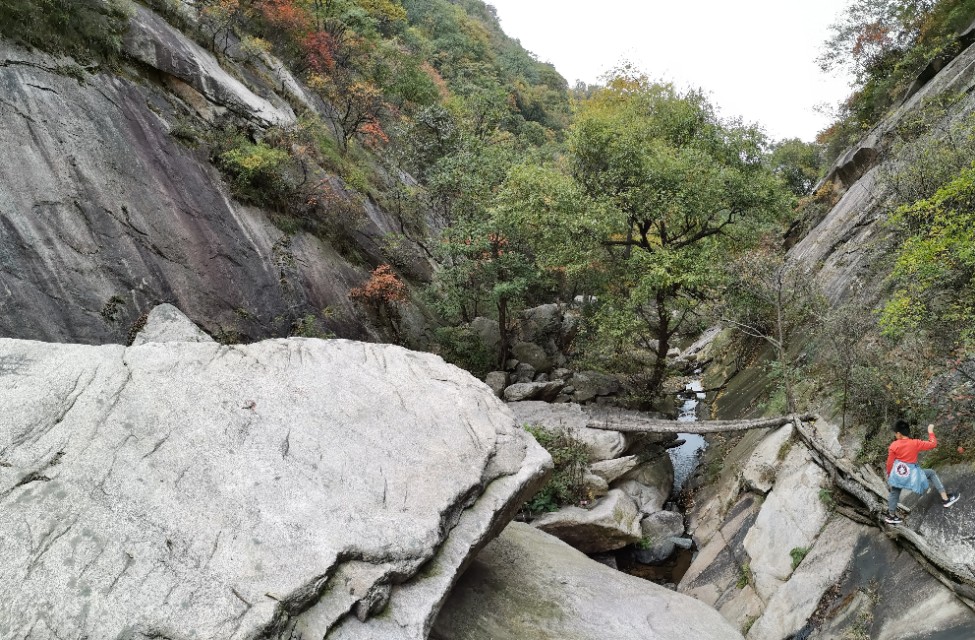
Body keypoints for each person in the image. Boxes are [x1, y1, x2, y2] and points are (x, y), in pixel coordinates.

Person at [884, 420, 959, 524]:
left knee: (895, 491)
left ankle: (891, 515)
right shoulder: (915, 443)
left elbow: (889, 463)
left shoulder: (893, 445)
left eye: (895, 433)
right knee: (931, 473)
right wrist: (930, 431)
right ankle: (945, 499)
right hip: (913, 477)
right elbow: (933, 444)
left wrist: (889, 475)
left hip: (900, 475)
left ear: (898, 434)